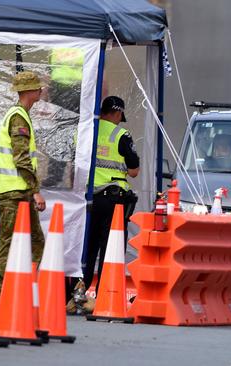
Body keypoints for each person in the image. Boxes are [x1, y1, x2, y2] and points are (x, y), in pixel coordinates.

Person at [0, 71, 46, 314]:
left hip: (17, 191)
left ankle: (23, 290)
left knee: (35, 242)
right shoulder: (19, 118)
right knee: (10, 241)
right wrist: (35, 192)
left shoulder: (19, 115)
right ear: (30, 92)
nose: (41, 91)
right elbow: (22, 158)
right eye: (38, 88)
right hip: (14, 192)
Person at [81, 96, 140, 311]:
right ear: (116, 114)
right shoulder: (121, 135)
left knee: (88, 247)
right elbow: (133, 170)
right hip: (113, 199)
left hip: (89, 198)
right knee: (111, 248)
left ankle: (79, 291)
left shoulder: (89, 130)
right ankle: (105, 294)